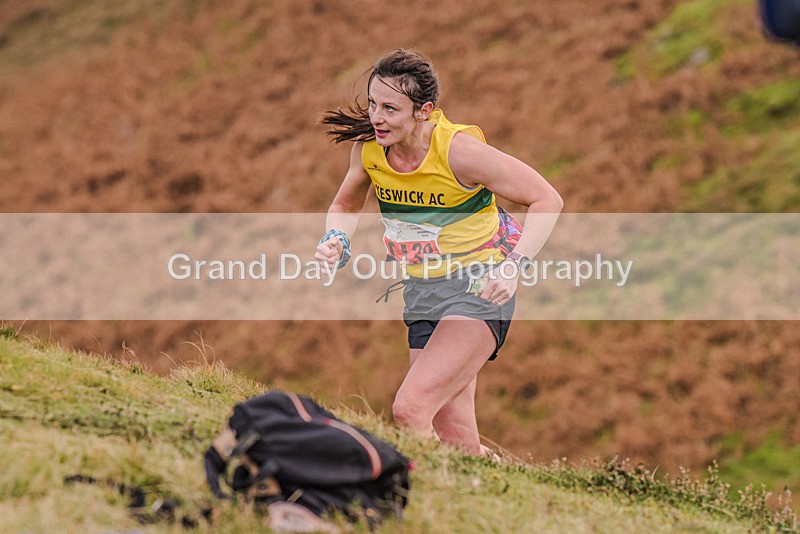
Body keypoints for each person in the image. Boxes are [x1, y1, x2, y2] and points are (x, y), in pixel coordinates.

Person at [315, 49, 563, 456]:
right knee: (457, 438)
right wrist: (336, 240)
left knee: (411, 410)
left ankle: (435, 512)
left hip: (480, 287)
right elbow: (344, 205)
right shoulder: (370, 149)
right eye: (374, 103)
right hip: (424, 290)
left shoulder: (460, 153)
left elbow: (546, 199)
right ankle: (498, 500)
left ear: (424, 111)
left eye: (390, 108)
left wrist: (514, 266)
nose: (376, 117)